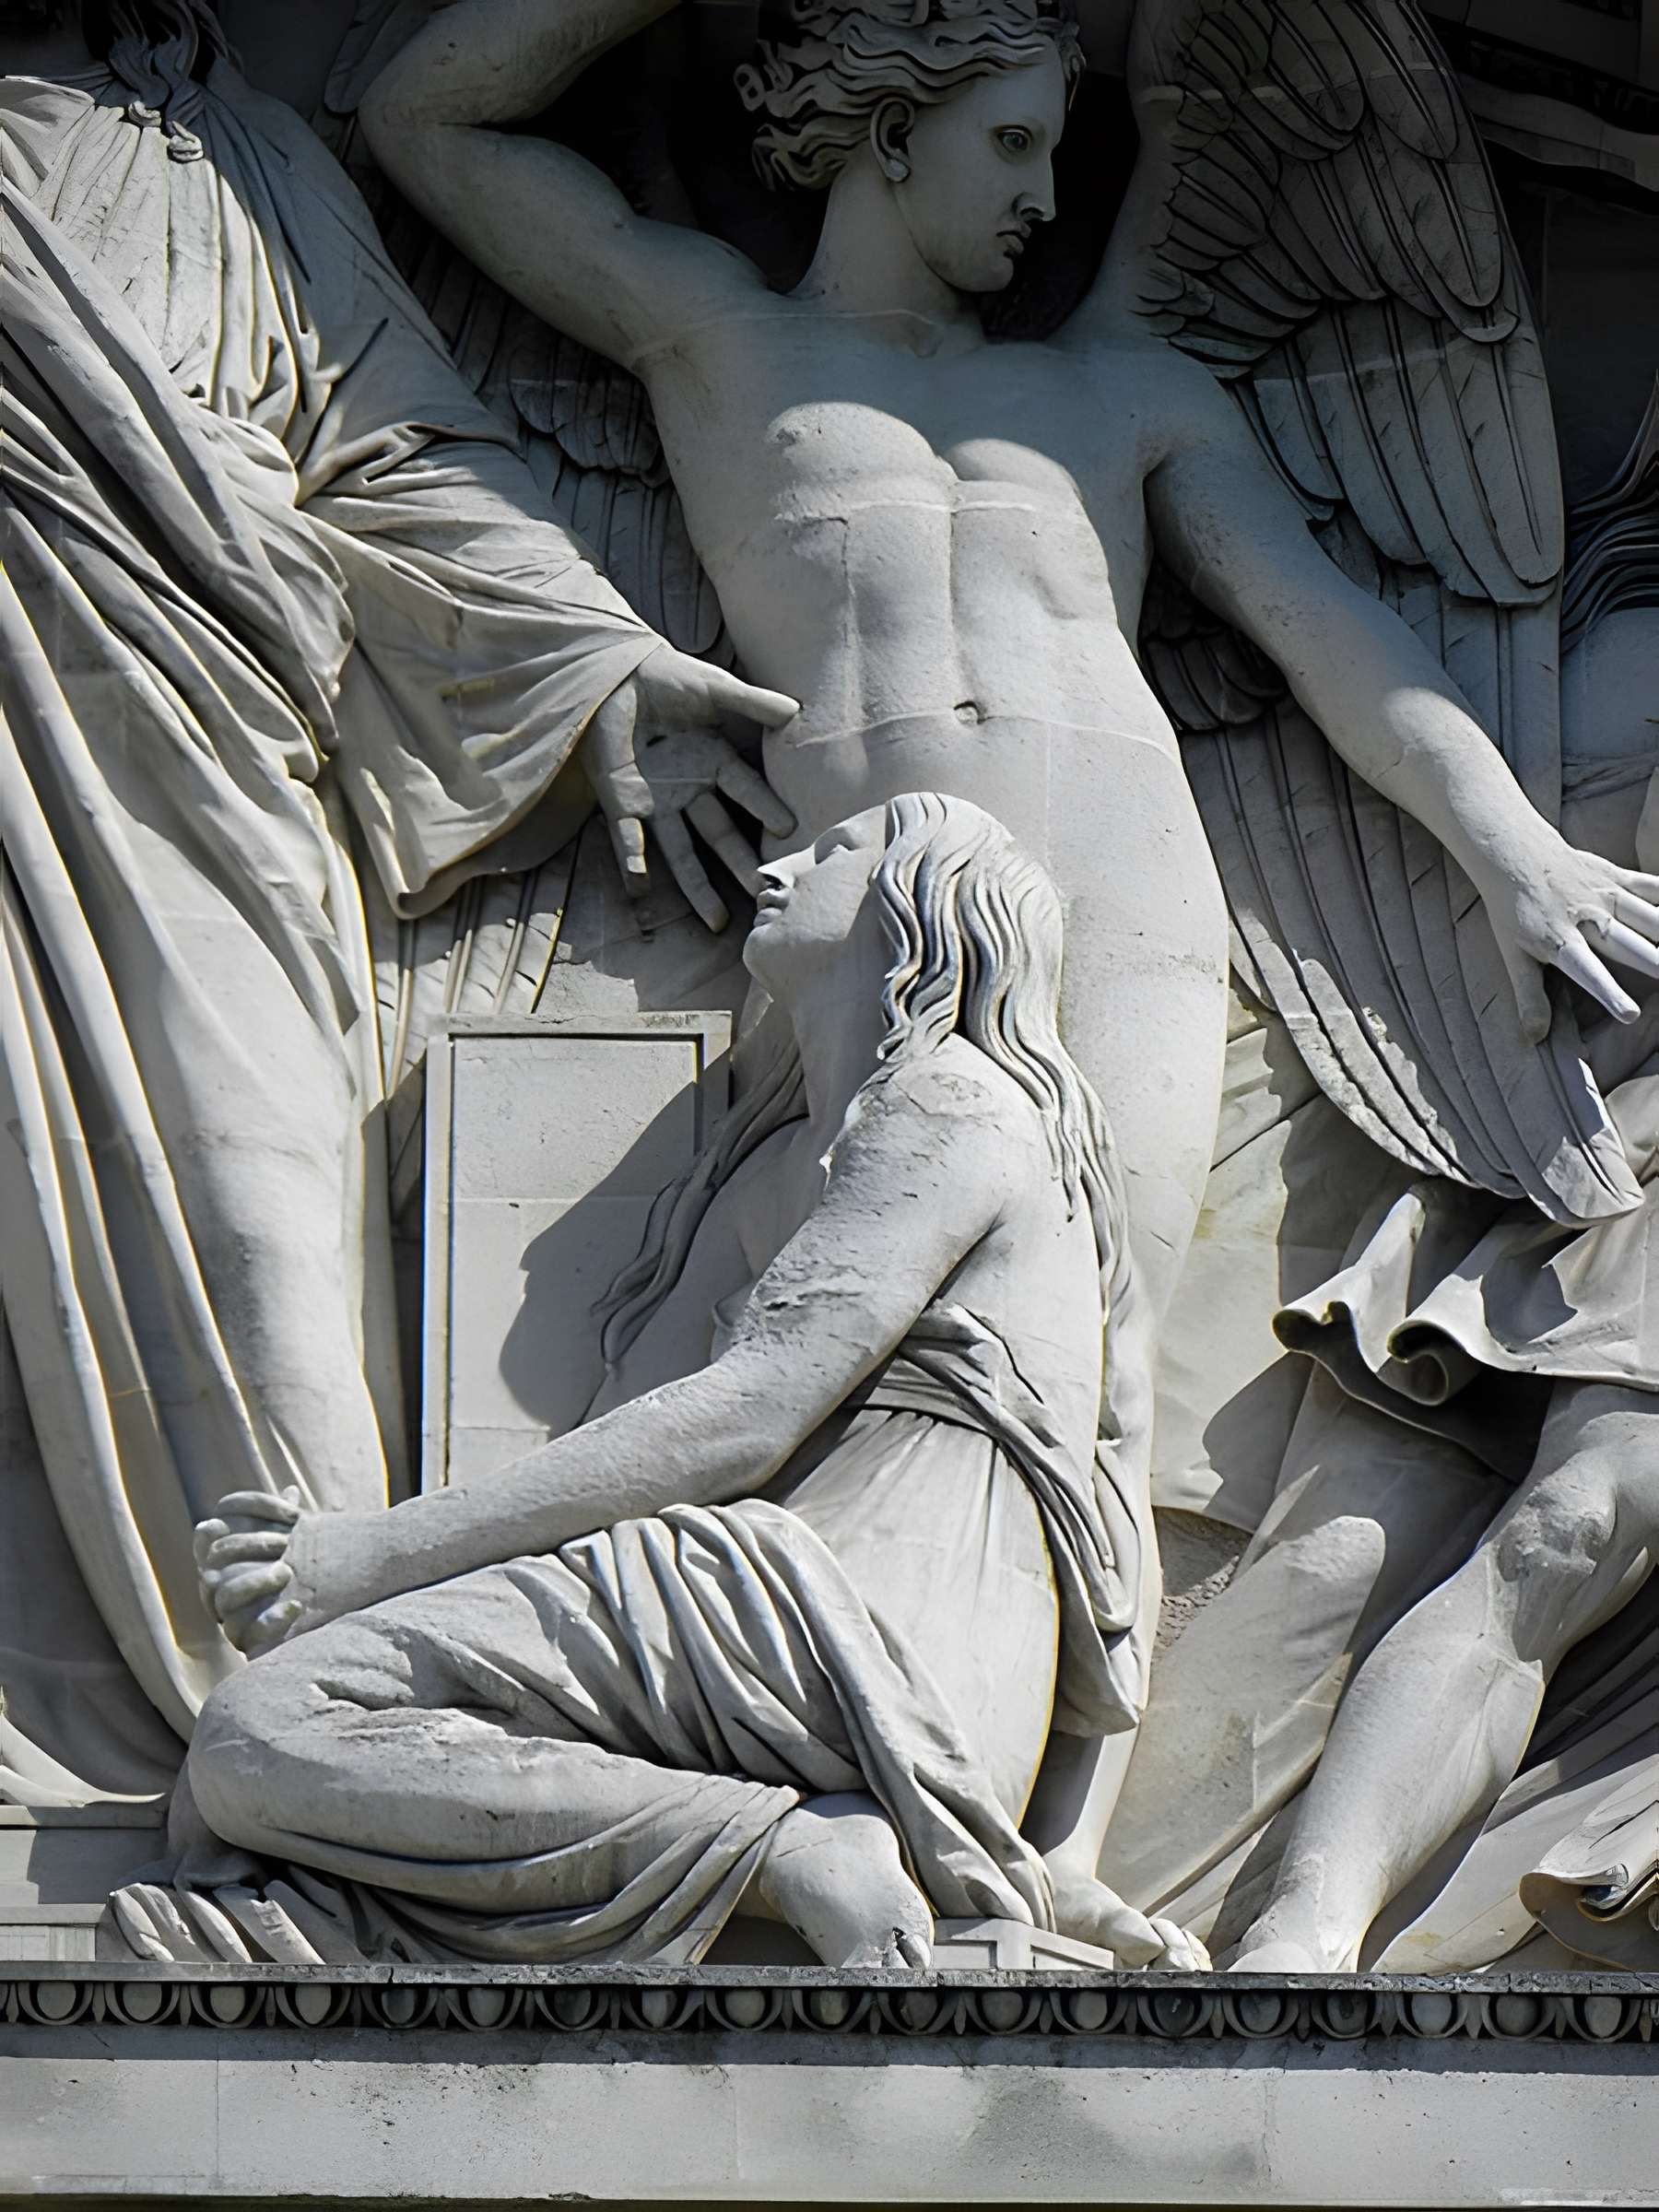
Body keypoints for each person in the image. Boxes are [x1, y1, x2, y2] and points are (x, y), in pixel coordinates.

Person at [354, 0, 1659, 1893]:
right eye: (1014, 148)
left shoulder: (1125, 396)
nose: (1052, 199)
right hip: (870, 918)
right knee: (846, 1348)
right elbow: (419, 108)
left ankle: (1050, 1836)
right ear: (886, 132)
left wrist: (1510, 850)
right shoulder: (712, 328)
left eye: (1059, 151)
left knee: (1080, 1370)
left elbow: (1336, 643)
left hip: (1126, 903)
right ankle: (835, 1792)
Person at [0, 0, 798, 1803]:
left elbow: (401, 455)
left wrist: (597, 663)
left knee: (259, 1229)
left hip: (192, 740)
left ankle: (330, 1745)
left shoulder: (241, 161)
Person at [178, 793, 1207, 1969]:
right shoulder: (779, 1164)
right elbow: (638, 1441)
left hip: (849, 1633)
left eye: (838, 848)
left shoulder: (954, 1102)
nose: (781, 865)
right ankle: (787, 1850)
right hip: (858, 1665)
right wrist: (1040, 1854)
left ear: (922, 902)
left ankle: (780, 1851)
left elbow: (747, 1418)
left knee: (266, 1728)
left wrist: (370, 1557)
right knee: (252, 1766)